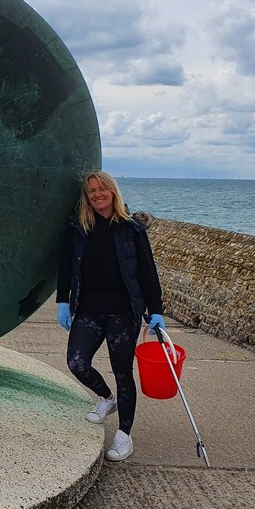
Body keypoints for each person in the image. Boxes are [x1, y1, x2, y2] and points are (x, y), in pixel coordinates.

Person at [56, 171, 165, 461]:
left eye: (102, 189)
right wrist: (62, 301)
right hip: (88, 310)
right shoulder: (78, 228)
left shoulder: (132, 230)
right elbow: (66, 267)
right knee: (77, 363)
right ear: (86, 197)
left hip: (123, 314)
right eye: (91, 191)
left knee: (123, 373)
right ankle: (106, 398)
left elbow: (147, 272)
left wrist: (156, 311)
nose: (97, 194)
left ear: (113, 192)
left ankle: (124, 435)